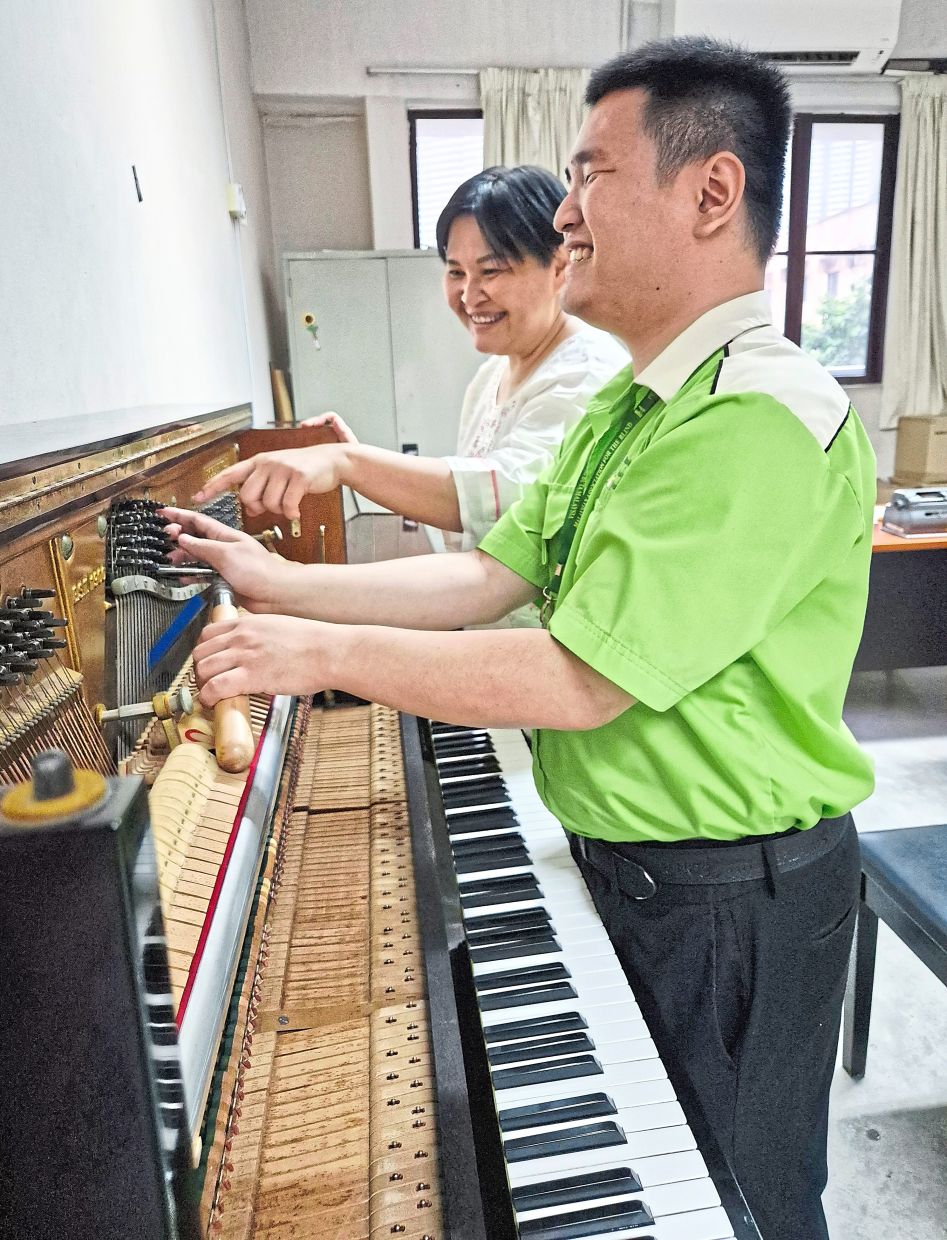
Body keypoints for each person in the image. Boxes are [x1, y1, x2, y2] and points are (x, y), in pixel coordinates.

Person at [166, 37, 876, 1239]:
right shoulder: (633, 404)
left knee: (742, 1201)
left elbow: (576, 676)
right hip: (649, 865)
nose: (564, 211)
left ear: (710, 192)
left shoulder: (754, 413)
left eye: (591, 172)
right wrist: (276, 587)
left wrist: (314, 651)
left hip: (730, 896)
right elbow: (489, 575)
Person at [195, 165, 627, 626]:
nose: (469, 295)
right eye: (456, 272)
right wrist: (366, 467)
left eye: (491, 270)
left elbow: (507, 499)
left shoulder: (587, 373)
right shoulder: (490, 378)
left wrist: (350, 463)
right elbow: (471, 526)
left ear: (559, 266)